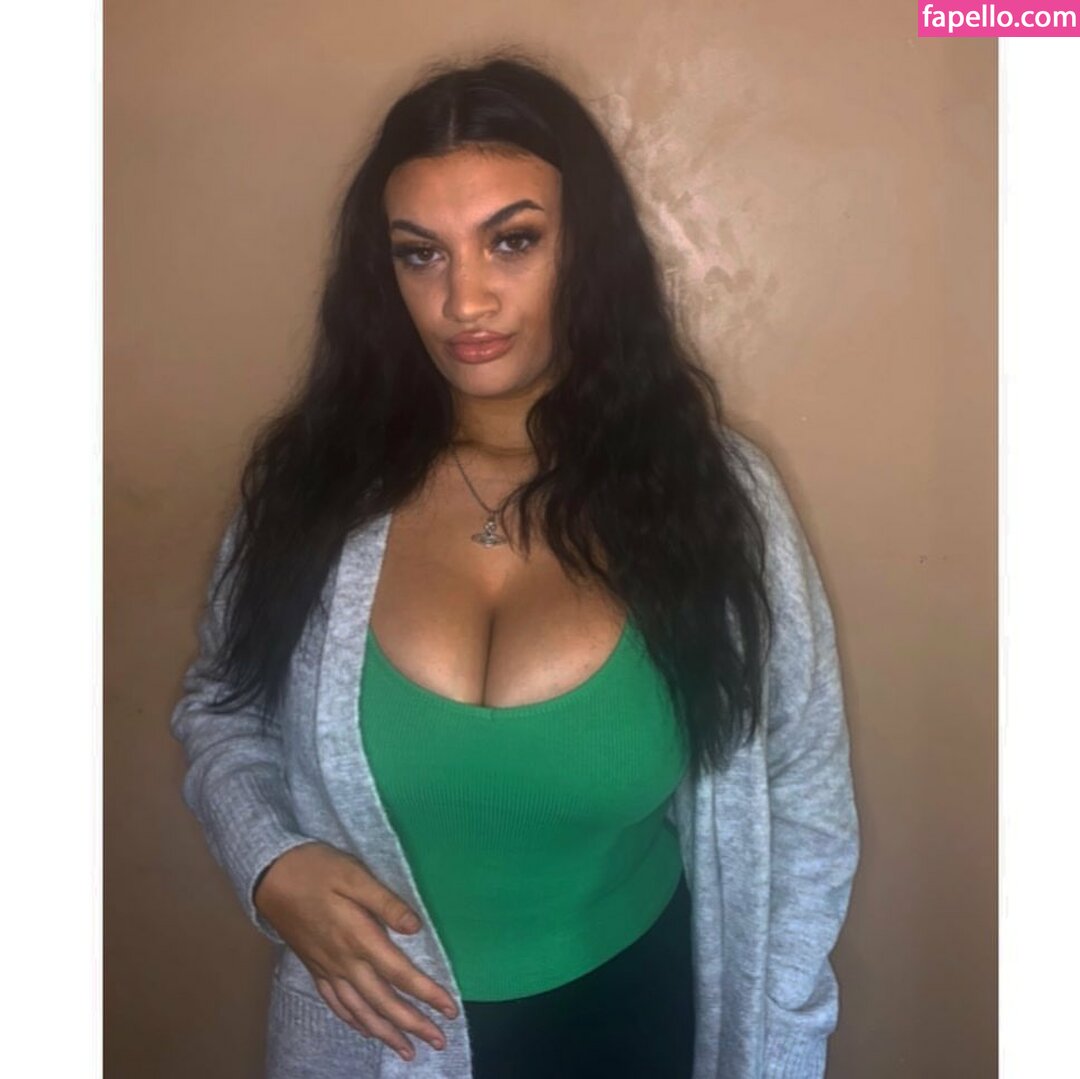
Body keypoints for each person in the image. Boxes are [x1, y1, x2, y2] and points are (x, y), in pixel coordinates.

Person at [171, 52, 859, 1079]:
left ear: (586, 249)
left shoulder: (722, 500)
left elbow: (803, 798)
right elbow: (221, 708)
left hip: (637, 1026)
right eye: (421, 254)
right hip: (368, 1043)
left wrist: (781, 1049)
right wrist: (269, 860)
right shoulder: (312, 487)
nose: (465, 299)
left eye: (513, 240)